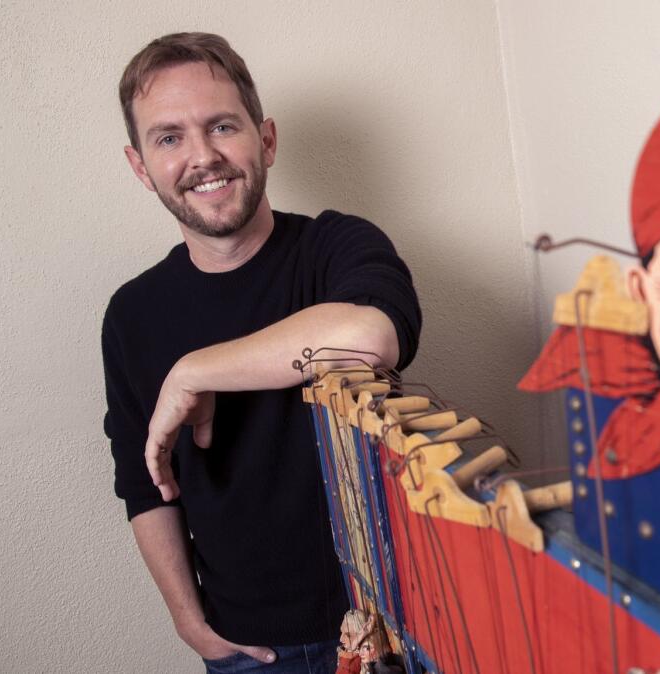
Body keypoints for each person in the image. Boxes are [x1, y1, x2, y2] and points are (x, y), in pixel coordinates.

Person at [102, 32, 421, 673]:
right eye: (169, 138)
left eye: (222, 125)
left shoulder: (338, 247)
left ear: (266, 139)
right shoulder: (132, 314)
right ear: (141, 167)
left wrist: (195, 372)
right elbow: (145, 484)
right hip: (247, 650)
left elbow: (372, 338)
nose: (203, 157)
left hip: (393, 628)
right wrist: (190, 624)